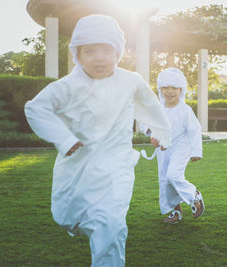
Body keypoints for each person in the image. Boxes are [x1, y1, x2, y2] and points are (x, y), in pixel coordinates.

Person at [24, 14, 171, 266]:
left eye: (106, 49)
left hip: (117, 167)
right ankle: (86, 220)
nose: (99, 57)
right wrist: (63, 139)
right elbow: (35, 109)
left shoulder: (130, 81)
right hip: (77, 167)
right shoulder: (68, 86)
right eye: (90, 51)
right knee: (68, 218)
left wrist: (160, 133)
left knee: (111, 225)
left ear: (118, 52)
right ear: (77, 55)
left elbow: (151, 108)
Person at [140, 67, 205, 224]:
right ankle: (174, 210)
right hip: (163, 148)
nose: (169, 91)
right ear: (160, 88)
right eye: (165, 87)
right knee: (164, 180)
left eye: (174, 88)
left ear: (181, 89)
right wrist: (152, 134)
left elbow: (195, 129)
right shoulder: (157, 107)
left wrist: (196, 151)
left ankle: (193, 195)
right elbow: (146, 123)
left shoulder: (185, 110)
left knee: (173, 176)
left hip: (181, 147)